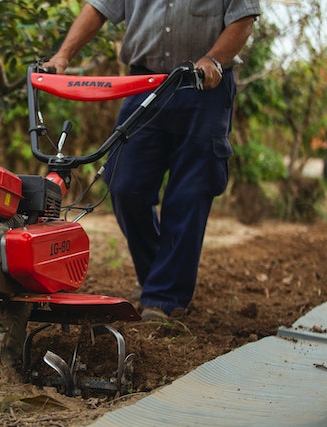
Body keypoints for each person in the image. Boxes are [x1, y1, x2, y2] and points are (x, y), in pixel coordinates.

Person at [44, 1, 261, 320]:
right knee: (125, 184)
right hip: (145, 83)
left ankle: (164, 296)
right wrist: (63, 56)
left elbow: (243, 19)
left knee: (189, 192)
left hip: (203, 85)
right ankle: (159, 279)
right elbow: (99, 8)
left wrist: (213, 59)